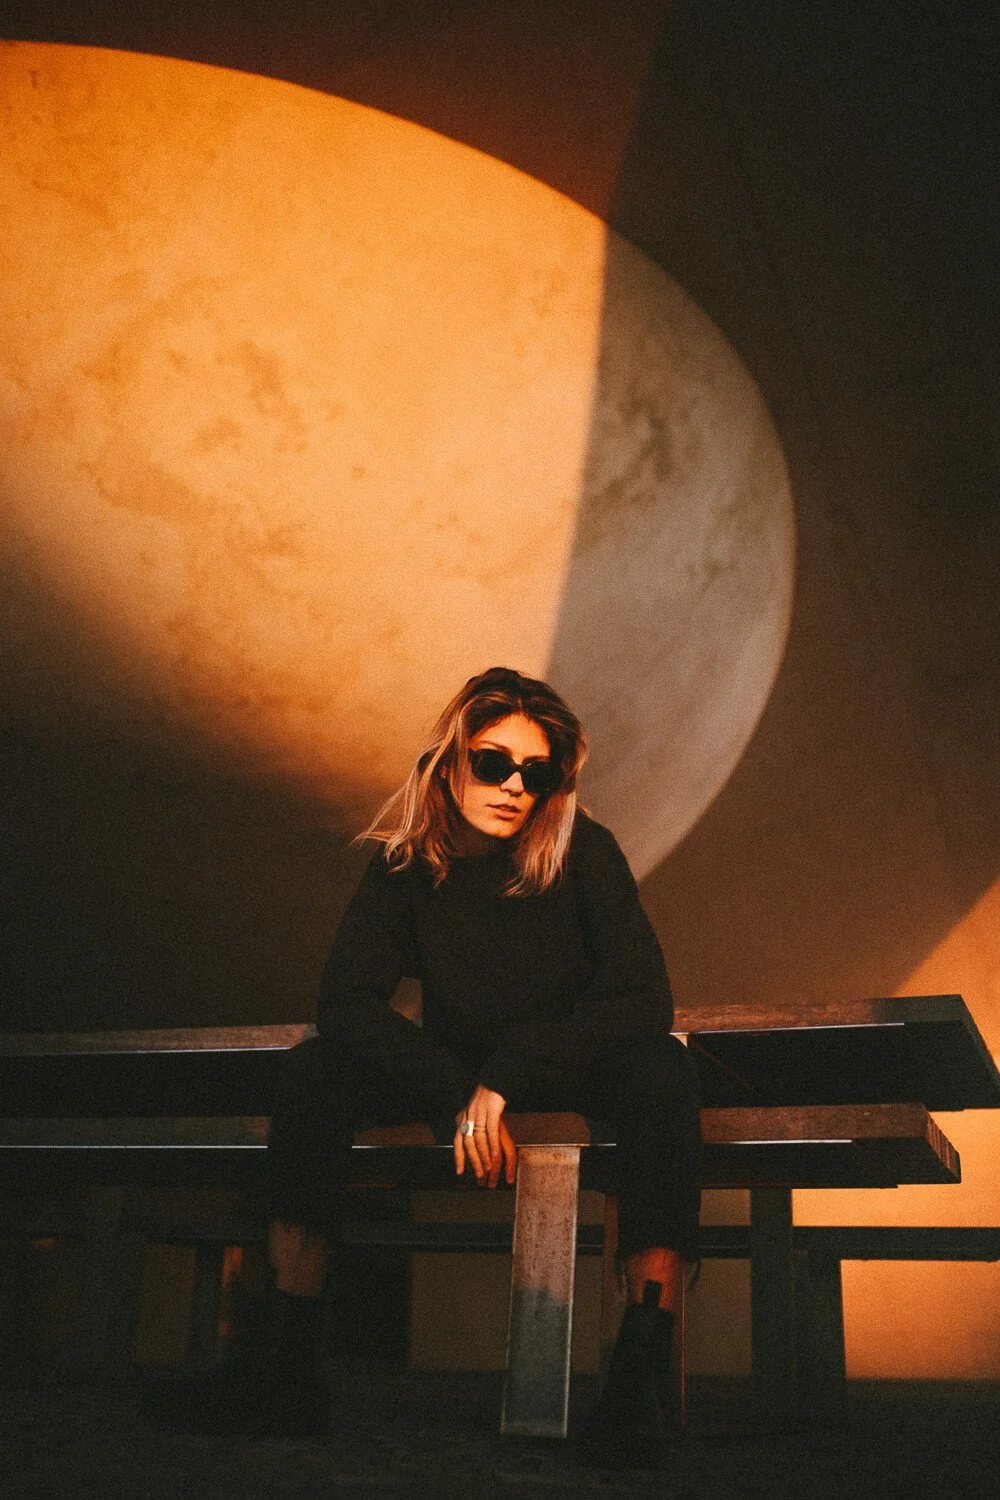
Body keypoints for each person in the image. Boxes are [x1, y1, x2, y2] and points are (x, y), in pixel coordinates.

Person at [152, 667, 701, 1464]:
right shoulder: (408, 866)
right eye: (493, 761)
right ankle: (282, 1369)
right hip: (459, 1074)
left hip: (566, 1064)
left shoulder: (585, 853)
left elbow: (643, 999)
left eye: (535, 772)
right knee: (317, 1069)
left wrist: (509, 1073)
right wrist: (456, 1094)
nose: (514, 785)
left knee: (661, 1069)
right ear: (450, 761)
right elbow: (347, 1001)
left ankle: (639, 1387)